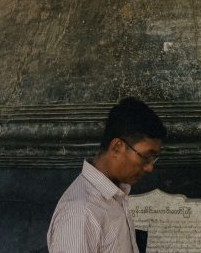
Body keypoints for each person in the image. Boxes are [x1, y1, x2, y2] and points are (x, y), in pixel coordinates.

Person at [48, 97, 167, 253]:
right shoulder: (81, 213)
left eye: (153, 159)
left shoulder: (115, 195)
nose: (150, 167)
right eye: (146, 157)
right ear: (117, 147)